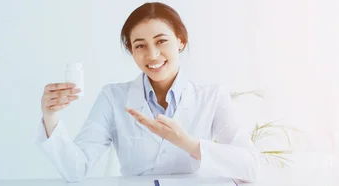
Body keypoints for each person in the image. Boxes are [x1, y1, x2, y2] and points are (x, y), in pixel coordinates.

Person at [35, 2, 259, 183]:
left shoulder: (212, 97)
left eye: (161, 41)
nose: (152, 55)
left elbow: (250, 167)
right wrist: (50, 116)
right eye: (140, 45)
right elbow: (75, 168)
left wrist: (187, 142)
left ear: (180, 41)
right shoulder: (113, 98)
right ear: (131, 50)